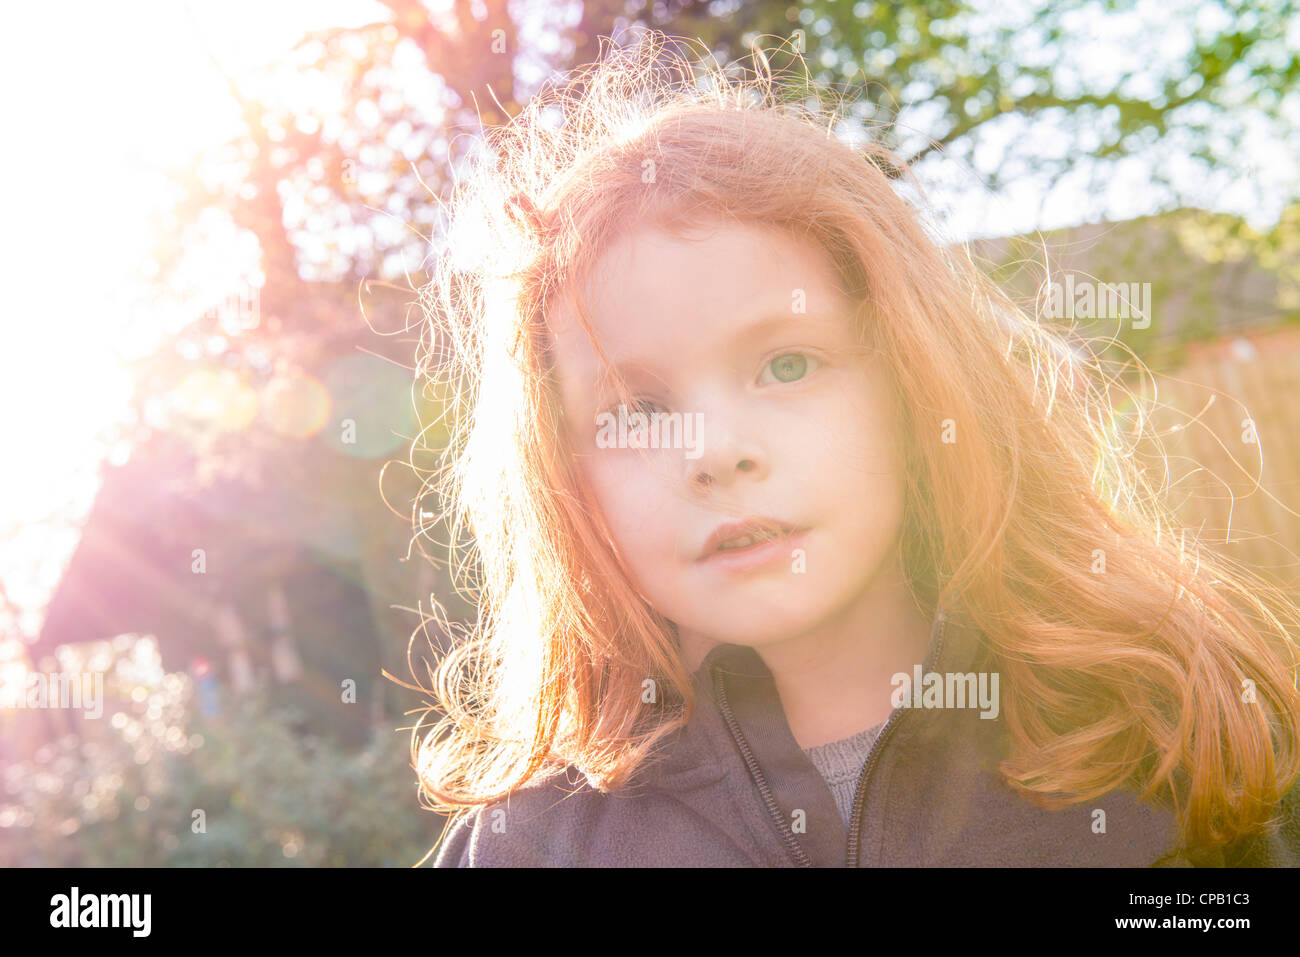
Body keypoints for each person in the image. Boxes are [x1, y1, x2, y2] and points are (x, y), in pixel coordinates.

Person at [412, 31, 1300, 866]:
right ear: (564, 480)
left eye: (787, 364)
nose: (715, 453)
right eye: (636, 409)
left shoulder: (1171, 737)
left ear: (914, 384)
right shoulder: (534, 843)